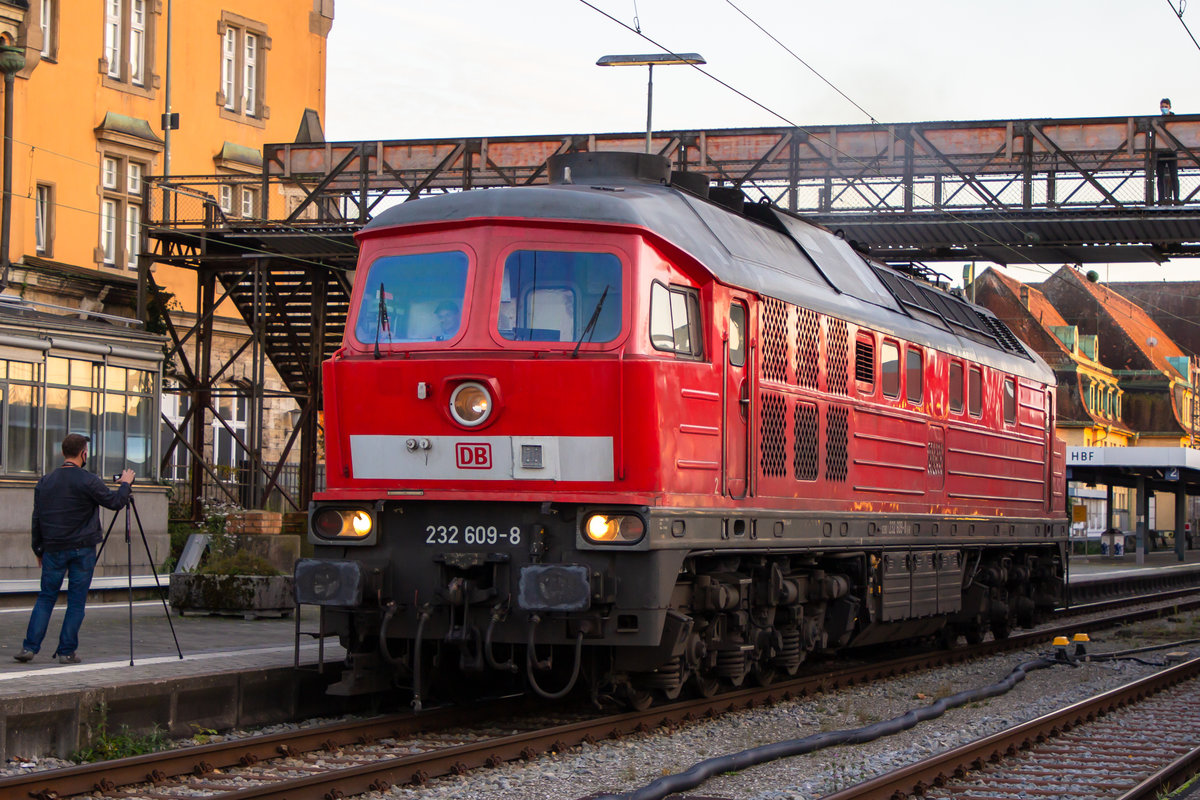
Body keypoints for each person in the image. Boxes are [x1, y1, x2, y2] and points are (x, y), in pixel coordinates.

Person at [13, 434, 134, 664]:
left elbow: (36, 518)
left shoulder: (45, 481)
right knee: (76, 601)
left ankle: (29, 647)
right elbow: (115, 502)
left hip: (53, 549)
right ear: (83, 453)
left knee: (46, 597)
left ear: (63, 452)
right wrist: (125, 483)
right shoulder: (88, 480)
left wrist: (38, 549)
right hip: (82, 550)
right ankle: (66, 651)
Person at [1156, 98, 1180, 204]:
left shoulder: (1175, 120)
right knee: (1160, 176)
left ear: (1170, 107)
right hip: (1160, 151)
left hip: (1171, 150)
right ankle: (1161, 199)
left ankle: (1176, 198)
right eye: (1162, 106)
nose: (1163, 108)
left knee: (1174, 175)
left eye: (1165, 106)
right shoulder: (1157, 121)